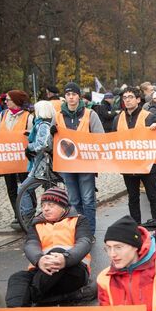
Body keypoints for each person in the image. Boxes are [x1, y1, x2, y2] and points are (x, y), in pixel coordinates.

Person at [6, 187, 95, 307]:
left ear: (63, 207)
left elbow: (84, 242)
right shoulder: (36, 223)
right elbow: (31, 244)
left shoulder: (79, 220)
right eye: (43, 205)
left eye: (50, 205)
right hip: (42, 271)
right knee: (17, 277)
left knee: (57, 252)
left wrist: (65, 258)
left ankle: (34, 295)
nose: (45, 209)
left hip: (73, 271)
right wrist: (39, 260)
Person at [52, 82, 104, 234]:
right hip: (67, 164)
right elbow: (51, 142)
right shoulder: (58, 116)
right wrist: (52, 133)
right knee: (74, 200)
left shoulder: (90, 114)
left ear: (78, 96)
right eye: (68, 94)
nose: (71, 97)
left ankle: (90, 232)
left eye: (74, 94)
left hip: (86, 163)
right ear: (65, 97)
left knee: (88, 200)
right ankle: (79, 230)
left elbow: (100, 137)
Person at [111, 87, 156, 224]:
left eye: (130, 97)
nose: (127, 100)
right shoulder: (117, 119)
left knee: (153, 196)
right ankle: (136, 226)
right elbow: (112, 141)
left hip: (147, 165)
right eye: (125, 98)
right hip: (128, 165)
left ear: (138, 100)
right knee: (133, 198)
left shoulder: (149, 117)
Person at [0, 90, 35, 229]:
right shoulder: (3, 115)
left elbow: (32, 136)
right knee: (11, 188)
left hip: (23, 160)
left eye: (8, 99)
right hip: (7, 158)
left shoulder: (28, 117)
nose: (6, 102)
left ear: (16, 101)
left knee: (26, 187)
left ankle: (29, 213)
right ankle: (17, 215)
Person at [17, 101, 57, 225]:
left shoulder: (42, 124)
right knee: (50, 191)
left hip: (42, 165)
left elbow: (42, 144)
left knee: (23, 189)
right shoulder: (49, 123)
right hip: (48, 163)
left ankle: (28, 218)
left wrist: (29, 147)